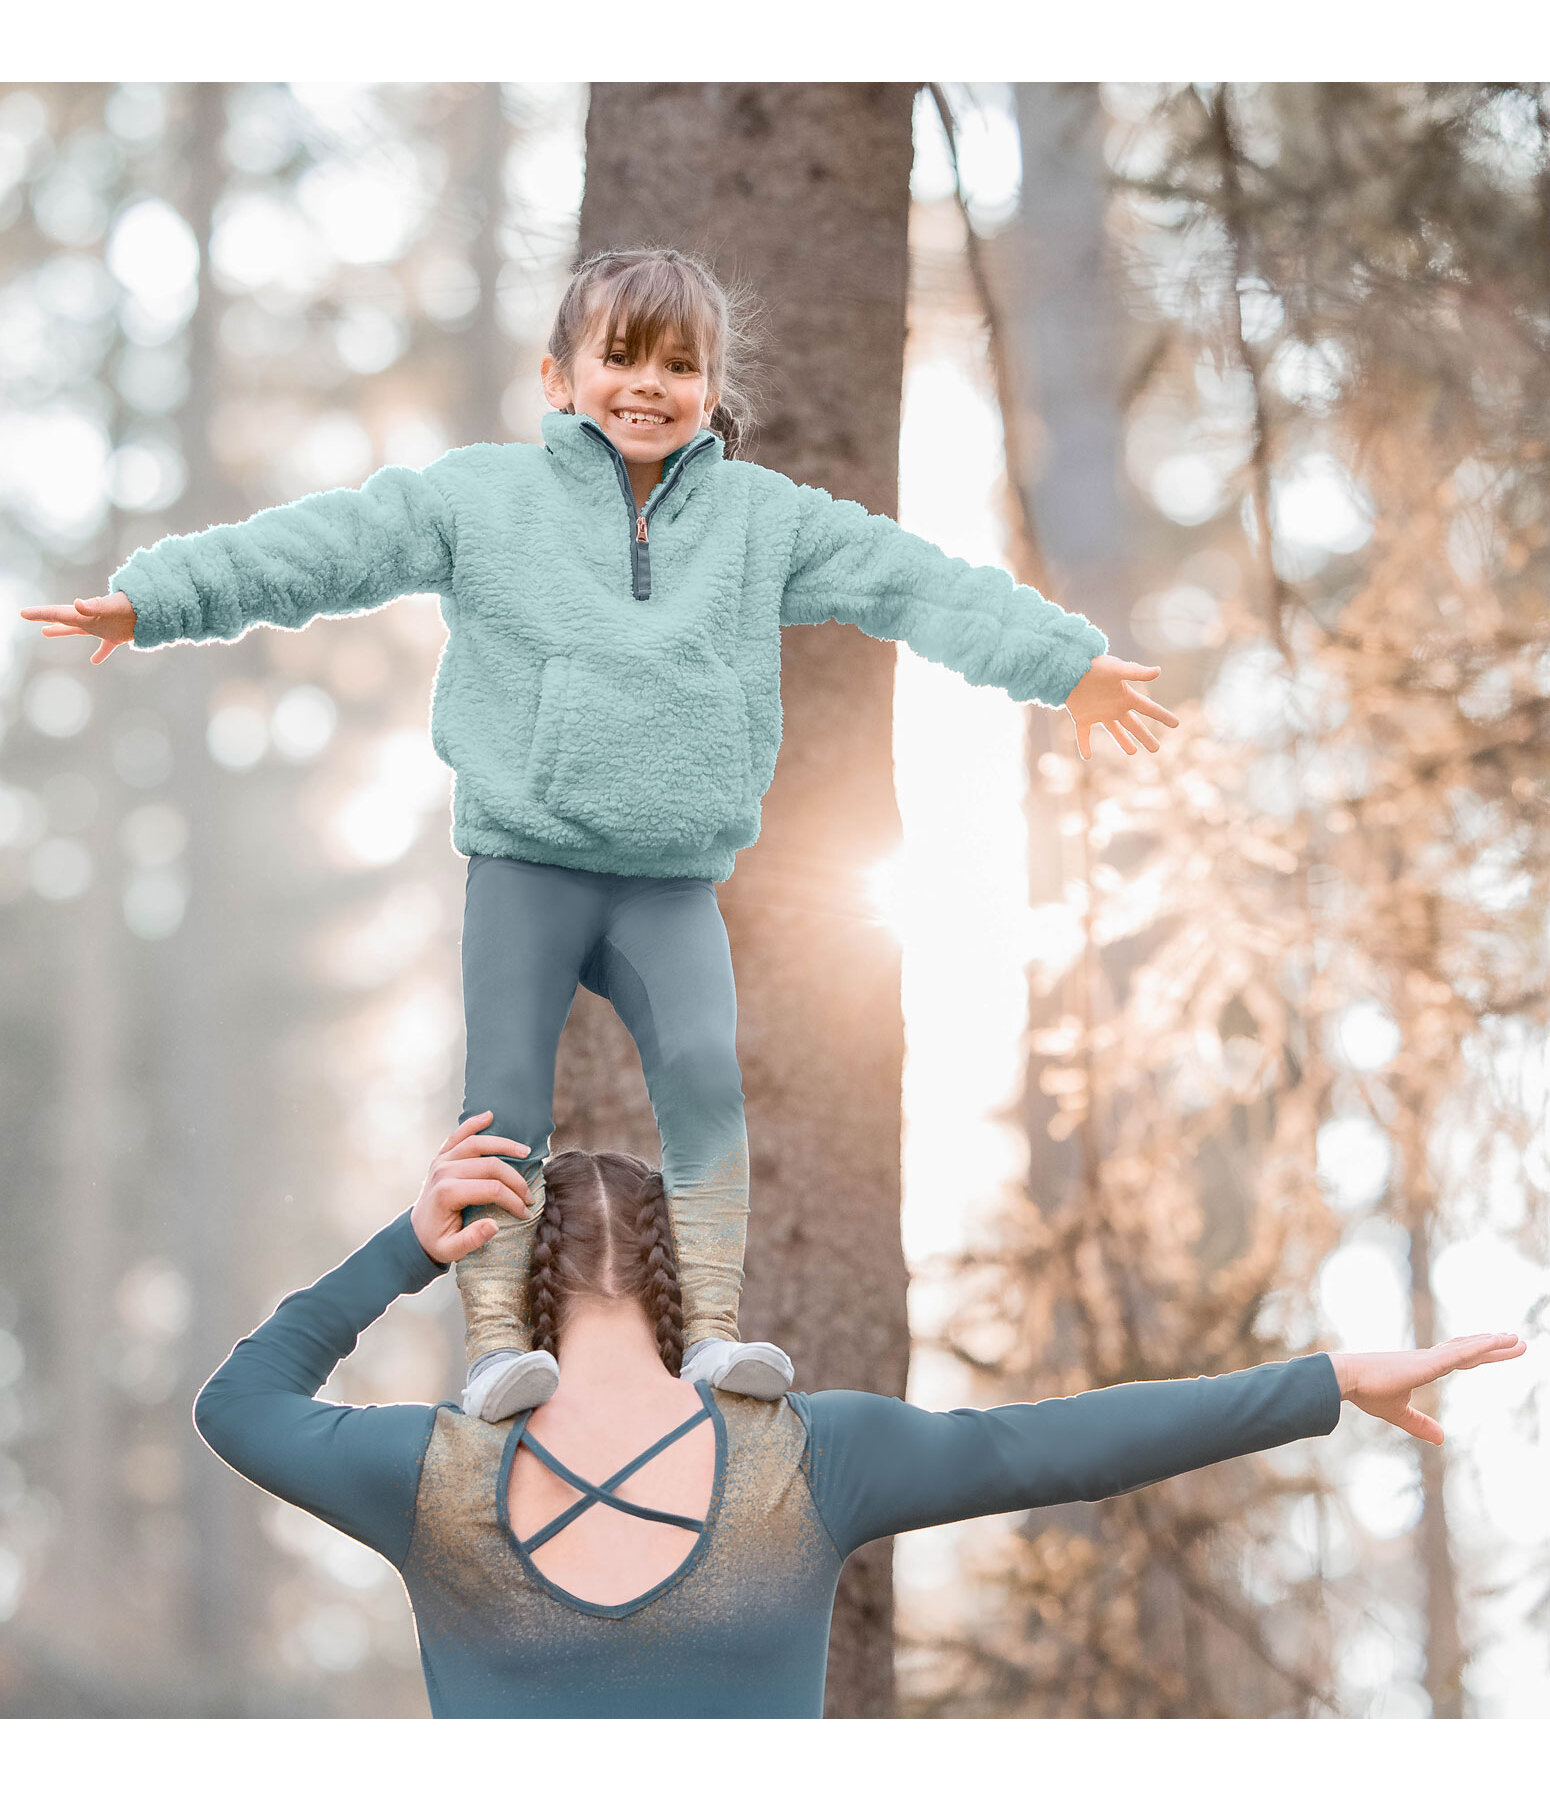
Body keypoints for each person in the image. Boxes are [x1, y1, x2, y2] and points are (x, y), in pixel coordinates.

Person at [22, 246, 1180, 1425]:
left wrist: (1067, 666)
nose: (648, 384)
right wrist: (157, 600)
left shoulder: (761, 521)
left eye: (680, 365)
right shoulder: (481, 499)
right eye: (619, 357)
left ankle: (716, 1335)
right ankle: (492, 1344)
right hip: (526, 863)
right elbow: (324, 548)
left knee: (702, 1081)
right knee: (504, 1103)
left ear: (711, 385)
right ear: (558, 375)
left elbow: (915, 584)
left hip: (666, 883)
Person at [191, 1114, 1526, 1720]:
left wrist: (404, 1248)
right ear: (685, 1285)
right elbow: (1059, 1442)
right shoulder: (806, 1457)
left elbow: (240, 1404)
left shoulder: (428, 1476)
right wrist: (1333, 1380)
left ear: (505, 1296)